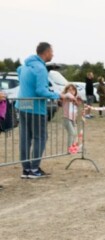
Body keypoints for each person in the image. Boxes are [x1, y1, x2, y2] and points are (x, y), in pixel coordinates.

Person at [16, 42, 71, 179]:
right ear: (46, 53)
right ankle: (34, 169)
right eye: (52, 52)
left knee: (25, 138)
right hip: (35, 109)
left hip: (22, 106)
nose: (52, 54)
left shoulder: (25, 66)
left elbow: (19, 71)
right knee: (40, 137)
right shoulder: (40, 68)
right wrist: (60, 95)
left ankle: (26, 169)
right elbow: (41, 90)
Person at [61, 84, 81, 152]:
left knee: (74, 133)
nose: (71, 91)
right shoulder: (66, 98)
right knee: (72, 132)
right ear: (66, 91)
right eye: (69, 90)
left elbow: (78, 103)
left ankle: (73, 147)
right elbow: (64, 95)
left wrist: (75, 99)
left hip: (73, 119)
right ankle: (69, 148)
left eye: (73, 90)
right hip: (66, 118)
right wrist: (69, 95)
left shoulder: (76, 99)